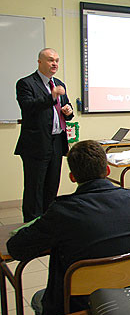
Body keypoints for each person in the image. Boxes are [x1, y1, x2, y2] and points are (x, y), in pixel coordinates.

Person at [7, 140, 130, 315]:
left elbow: (16, 248)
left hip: (78, 304)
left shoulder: (62, 211)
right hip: (128, 297)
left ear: (72, 177)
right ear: (107, 170)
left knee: (39, 298)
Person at [15, 48, 74, 222]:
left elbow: (66, 109)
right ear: (40, 62)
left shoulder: (58, 83)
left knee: (51, 186)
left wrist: (68, 111)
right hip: (36, 143)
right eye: (50, 60)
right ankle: (32, 225)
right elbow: (28, 107)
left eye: (56, 60)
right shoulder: (26, 83)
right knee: (35, 187)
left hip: (56, 141)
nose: (54, 63)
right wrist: (52, 96)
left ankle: (48, 222)